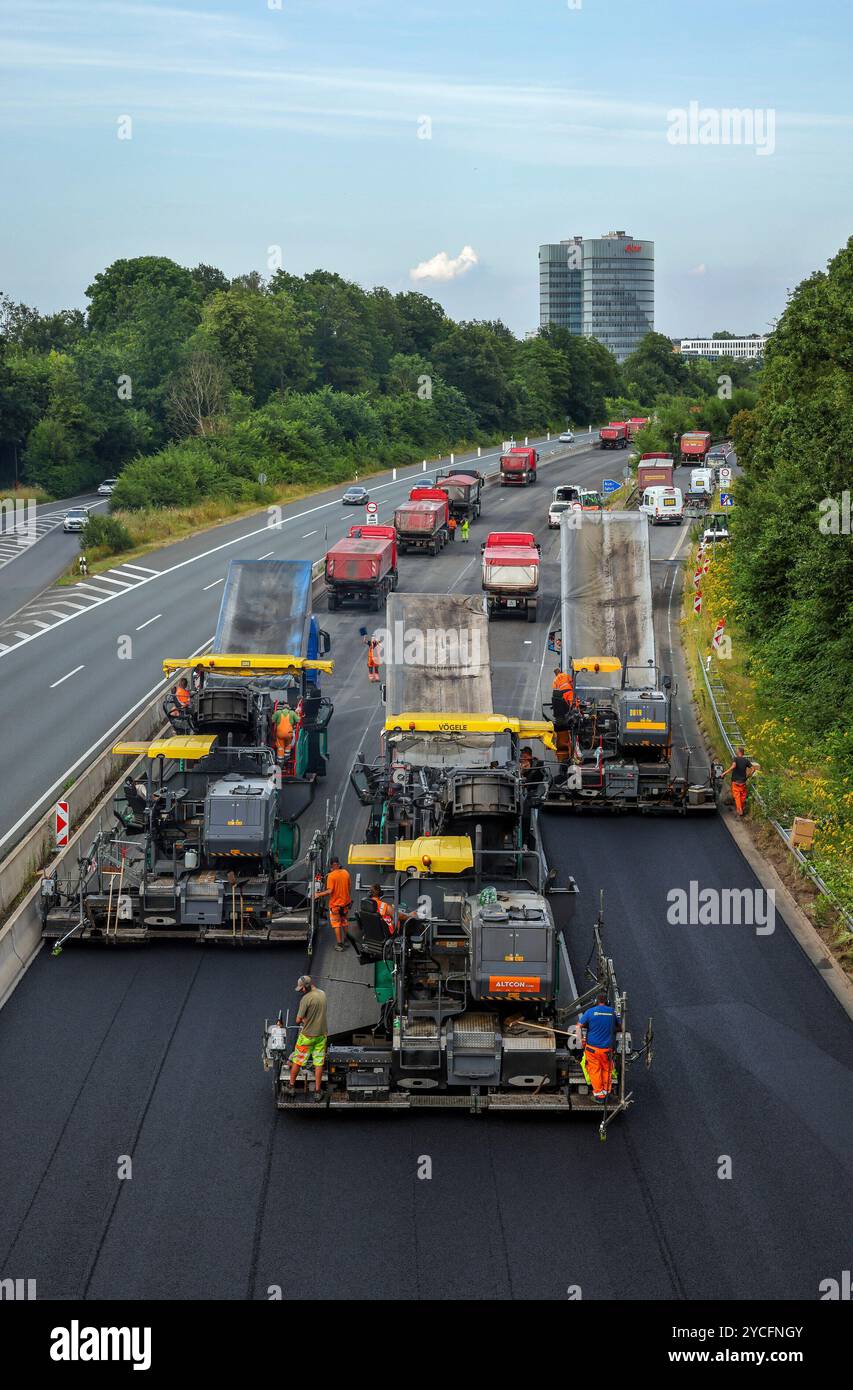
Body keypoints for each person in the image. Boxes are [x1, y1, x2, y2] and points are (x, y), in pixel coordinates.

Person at [287, 976, 328, 1100]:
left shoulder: (306, 999)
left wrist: (305, 1020)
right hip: (321, 1036)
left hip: (307, 1037)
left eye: (302, 988)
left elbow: (298, 1020)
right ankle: (317, 1091)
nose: (301, 991)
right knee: (318, 1063)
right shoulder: (323, 994)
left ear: (307, 986)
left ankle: (291, 1086)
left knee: (297, 1061)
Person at [579, 992, 622, 1103]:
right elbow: (621, 1026)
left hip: (592, 1050)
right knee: (607, 1070)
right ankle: (606, 1092)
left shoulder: (590, 1012)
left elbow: (578, 1026)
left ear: (595, 1002)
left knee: (595, 1070)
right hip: (607, 1050)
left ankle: (599, 1095)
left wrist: (582, 1040)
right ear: (607, 1002)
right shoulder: (613, 1012)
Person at [315, 856, 352, 950]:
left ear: (331, 865)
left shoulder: (331, 876)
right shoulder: (346, 873)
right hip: (345, 904)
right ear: (338, 864)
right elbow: (349, 887)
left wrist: (318, 894)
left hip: (335, 906)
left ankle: (340, 945)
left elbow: (330, 891)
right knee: (344, 922)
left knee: (336, 924)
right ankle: (346, 940)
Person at [723, 745, 760, 818]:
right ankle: (741, 808)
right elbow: (753, 769)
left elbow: (733, 766)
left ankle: (739, 810)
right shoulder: (746, 761)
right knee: (743, 795)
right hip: (743, 781)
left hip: (735, 782)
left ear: (739, 752)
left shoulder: (735, 759)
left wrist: (724, 773)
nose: (736, 752)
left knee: (737, 796)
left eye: (737, 751)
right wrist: (748, 776)